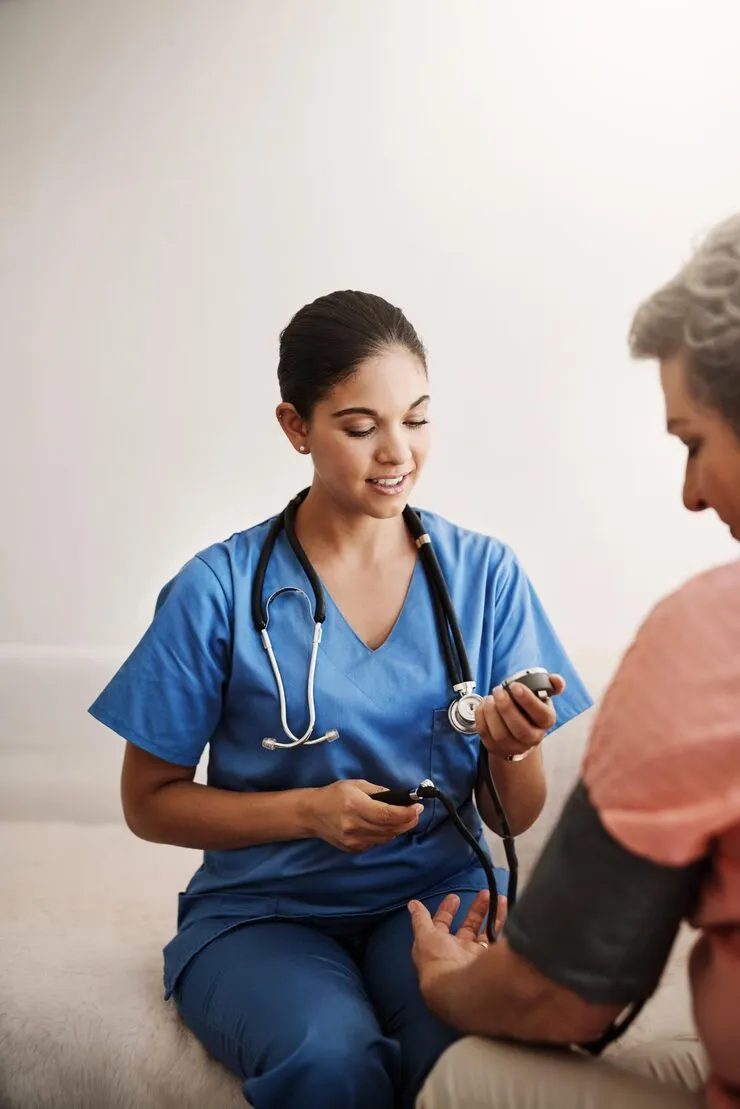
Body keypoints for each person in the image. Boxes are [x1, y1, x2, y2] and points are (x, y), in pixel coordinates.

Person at [88, 290, 591, 1109]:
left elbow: (511, 819)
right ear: (296, 427)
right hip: (263, 913)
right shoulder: (216, 590)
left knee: (466, 1060)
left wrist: (511, 746)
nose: (397, 451)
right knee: (332, 1061)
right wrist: (309, 812)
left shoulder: (485, 577)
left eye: (417, 419)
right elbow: (148, 803)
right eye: (361, 426)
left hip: (438, 898)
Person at [408, 214, 740, 1109]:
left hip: (444, 916)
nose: (691, 493)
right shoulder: (223, 584)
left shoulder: (708, 639)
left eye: (693, 442)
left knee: (463, 1072)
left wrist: (444, 980)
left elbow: (564, 993)